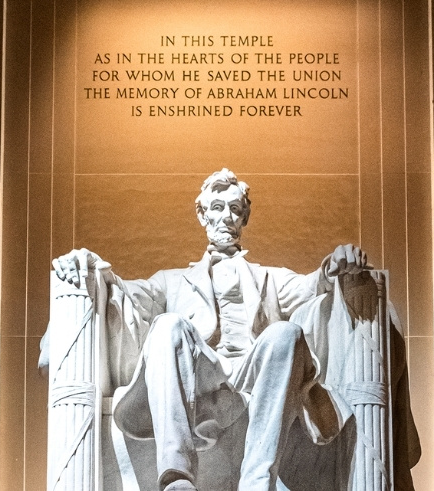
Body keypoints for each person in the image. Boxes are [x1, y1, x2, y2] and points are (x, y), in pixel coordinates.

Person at [53, 168, 370, 491]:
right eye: (217, 207)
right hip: (198, 374)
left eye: (235, 209)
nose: (226, 216)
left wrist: (335, 265)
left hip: (256, 374)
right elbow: (125, 292)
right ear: (202, 215)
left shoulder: (270, 278)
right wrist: (93, 267)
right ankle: (177, 478)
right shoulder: (171, 281)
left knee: (285, 333)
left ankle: (258, 482)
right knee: (168, 325)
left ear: (244, 218)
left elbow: (312, 285)